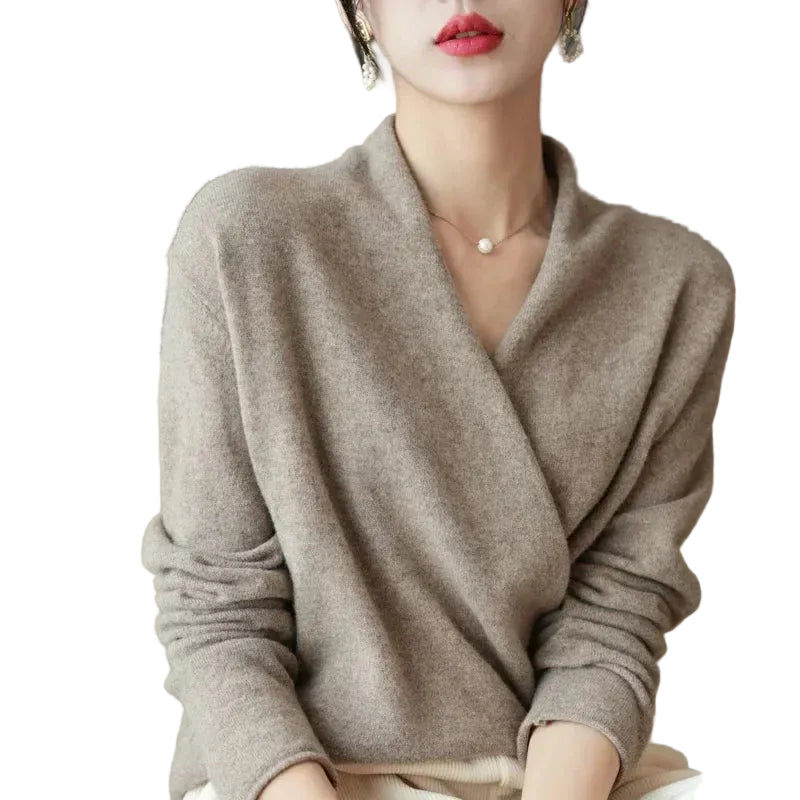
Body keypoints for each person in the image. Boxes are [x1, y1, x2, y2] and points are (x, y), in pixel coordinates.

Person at [142, 2, 735, 800]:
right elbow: (217, 610)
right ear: (361, 9)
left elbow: (617, 612)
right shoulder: (246, 238)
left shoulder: (673, 285)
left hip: (556, 773)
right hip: (300, 778)